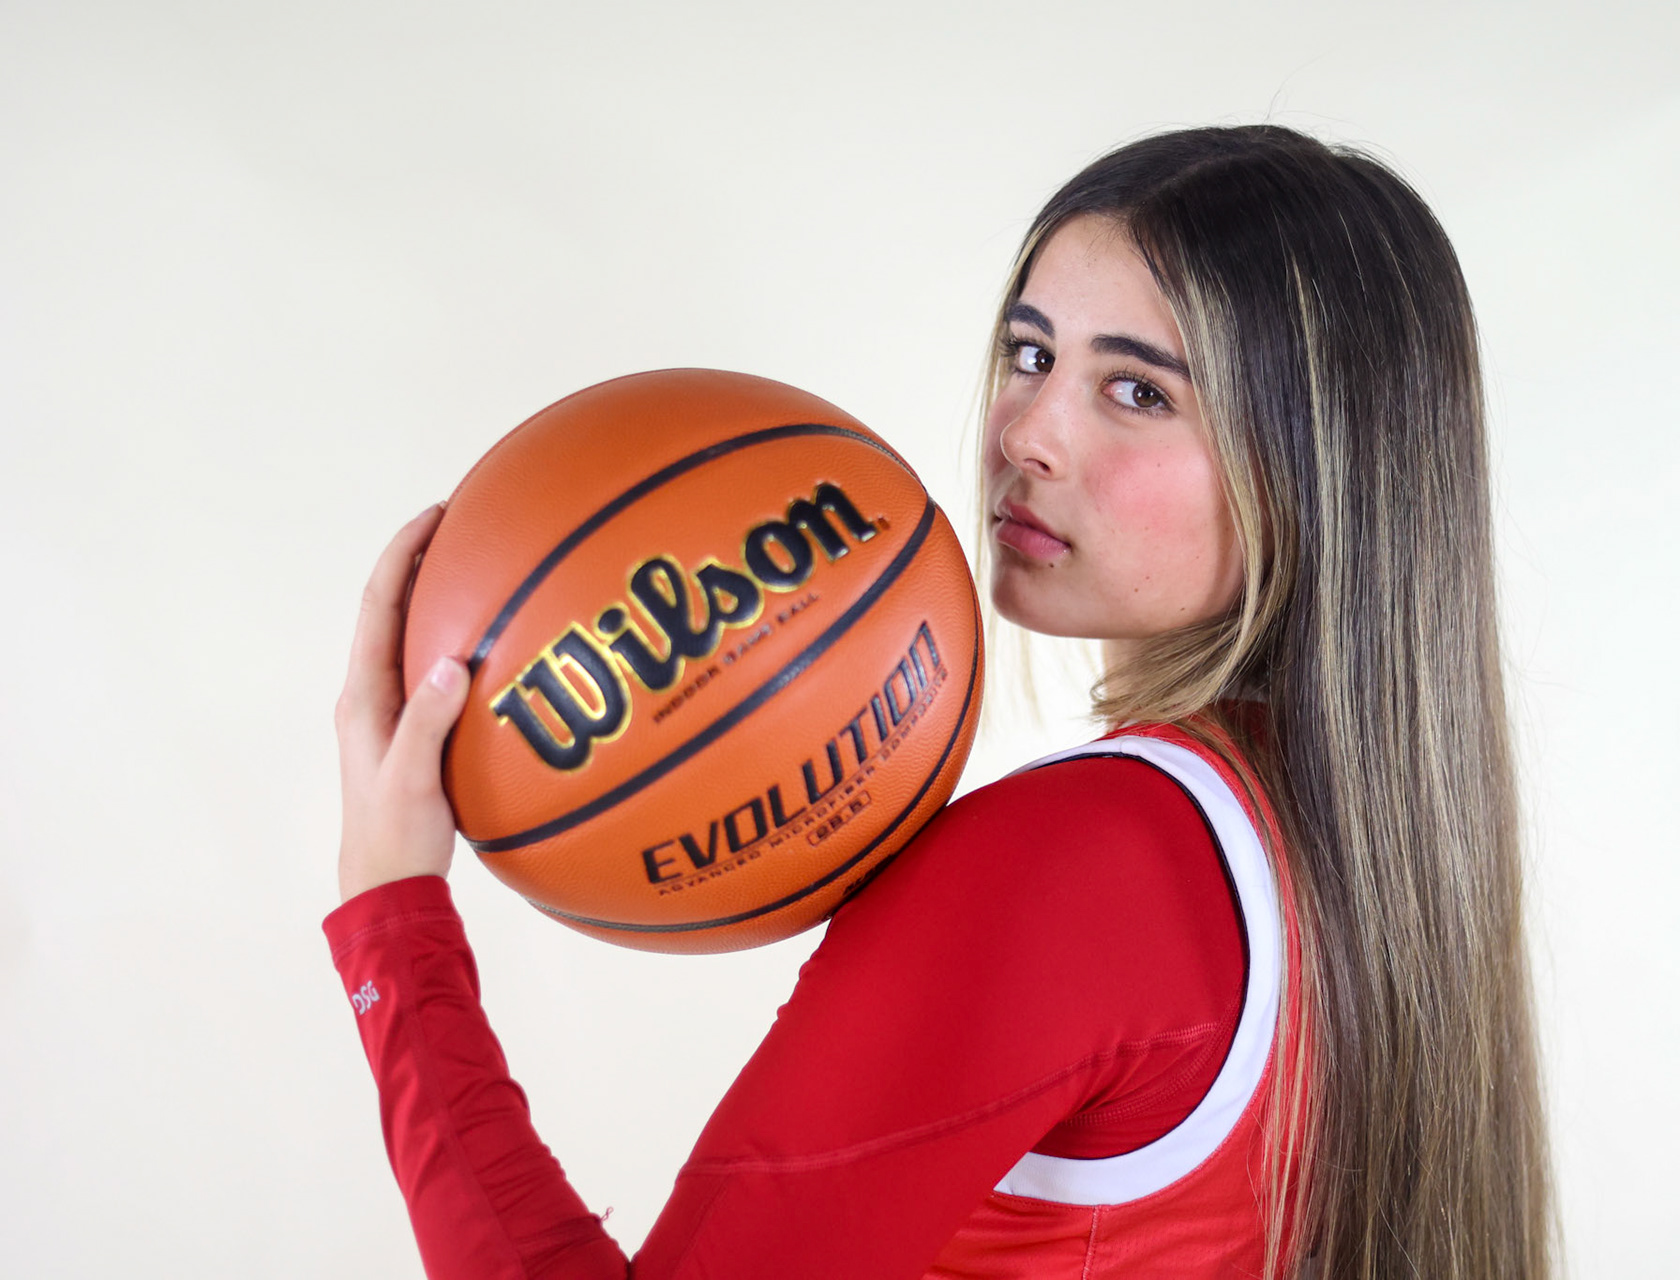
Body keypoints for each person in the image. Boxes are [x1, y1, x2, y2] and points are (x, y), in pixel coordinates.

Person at [328, 125, 1552, 1279]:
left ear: (1314, 467)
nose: (1026, 435)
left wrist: (392, 915)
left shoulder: (1080, 858)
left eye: (1139, 391)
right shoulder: (1377, 860)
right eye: (1032, 354)